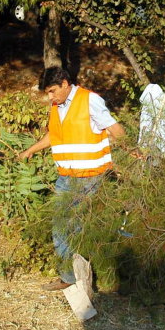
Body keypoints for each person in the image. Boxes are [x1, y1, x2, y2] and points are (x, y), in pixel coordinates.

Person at [20, 67, 127, 291]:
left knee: (69, 226)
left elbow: (113, 127)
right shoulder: (56, 106)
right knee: (66, 225)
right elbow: (54, 135)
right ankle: (75, 277)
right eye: (47, 93)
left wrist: (132, 150)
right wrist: (31, 150)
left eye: (52, 91)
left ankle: (80, 277)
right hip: (66, 176)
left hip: (89, 176)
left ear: (65, 83)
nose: (50, 97)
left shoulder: (89, 100)